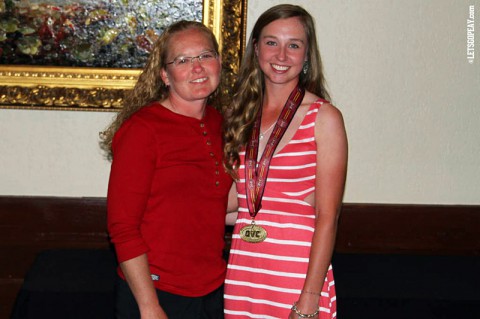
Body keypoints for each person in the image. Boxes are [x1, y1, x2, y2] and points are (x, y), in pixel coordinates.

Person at [223, 4, 348, 319]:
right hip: (244, 272)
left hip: (297, 277)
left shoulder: (324, 118)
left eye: (294, 45)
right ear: (256, 48)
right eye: (271, 42)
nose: (281, 55)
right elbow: (234, 200)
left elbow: (328, 217)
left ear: (307, 55)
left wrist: (308, 300)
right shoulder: (239, 115)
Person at [101, 20, 232, 319]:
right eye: (183, 60)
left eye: (205, 56)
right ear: (165, 75)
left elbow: (218, 203)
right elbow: (122, 228)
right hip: (157, 294)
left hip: (213, 290)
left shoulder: (219, 124)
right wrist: (149, 307)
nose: (197, 68)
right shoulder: (143, 130)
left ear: (219, 63)